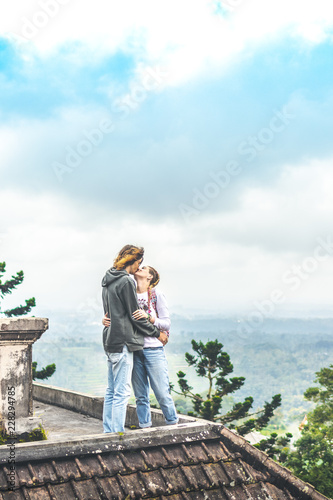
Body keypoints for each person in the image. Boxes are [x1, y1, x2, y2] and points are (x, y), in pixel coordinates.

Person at [102, 245, 167, 433]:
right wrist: (157, 332)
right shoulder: (126, 282)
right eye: (139, 262)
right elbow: (134, 316)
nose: (139, 266)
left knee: (111, 390)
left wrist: (107, 319)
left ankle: (108, 430)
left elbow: (109, 312)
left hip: (109, 339)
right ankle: (116, 434)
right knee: (122, 391)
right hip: (123, 341)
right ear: (133, 260)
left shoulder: (107, 278)